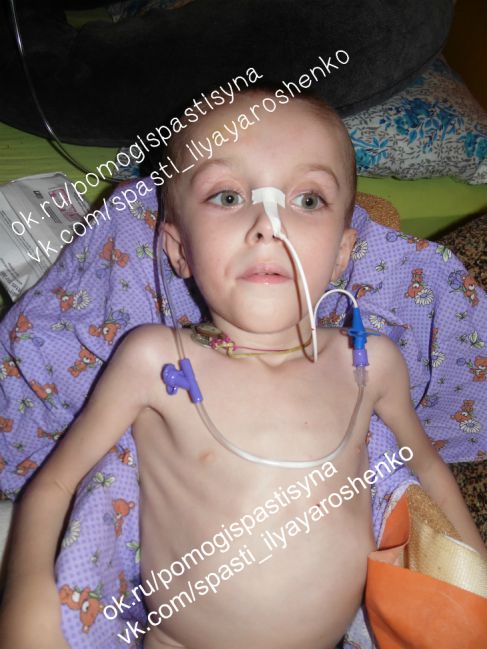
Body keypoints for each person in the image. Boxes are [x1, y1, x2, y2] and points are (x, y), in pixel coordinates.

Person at [1, 85, 486, 649]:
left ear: (342, 253)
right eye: (228, 196)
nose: (268, 224)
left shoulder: (370, 365)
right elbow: (55, 482)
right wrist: (28, 597)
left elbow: (427, 470)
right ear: (178, 250)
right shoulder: (156, 360)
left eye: (307, 200)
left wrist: (476, 583)